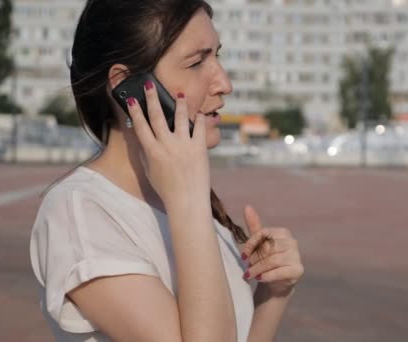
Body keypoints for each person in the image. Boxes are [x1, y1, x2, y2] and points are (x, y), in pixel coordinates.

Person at [29, 1, 304, 341]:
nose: (224, 83)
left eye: (217, 55)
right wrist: (187, 198)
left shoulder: (182, 205)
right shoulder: (79, 214)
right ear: (128, 88)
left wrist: (273, 293)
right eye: (197, 62)